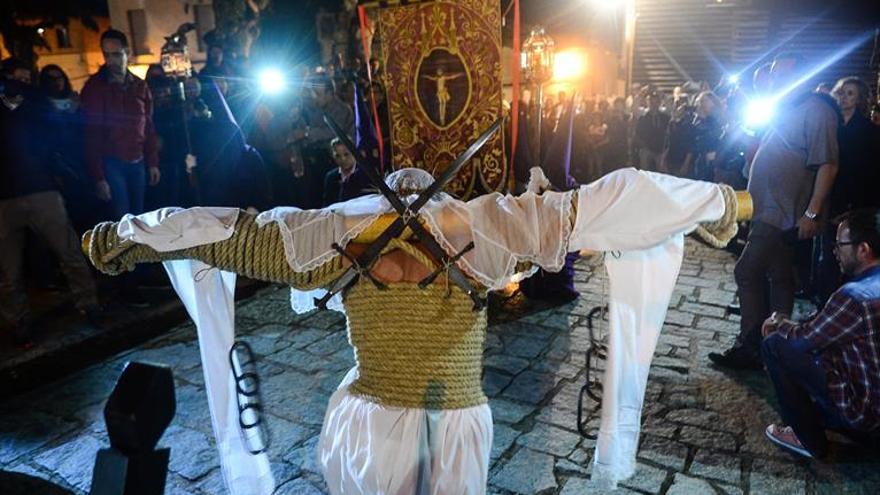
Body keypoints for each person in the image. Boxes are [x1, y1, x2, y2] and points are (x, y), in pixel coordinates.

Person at [710, 52, 839, 370]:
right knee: (780, 278)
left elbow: (828, 164)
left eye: (780, 74)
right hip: (766, 208)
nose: (773, 79)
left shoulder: (818, 111)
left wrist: (811, 214)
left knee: (746, 271)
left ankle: (751, 346)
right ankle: (774, 349)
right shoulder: (783, 106)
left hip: (783, 213)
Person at [761, 208, 880, 459]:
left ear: (863, 249)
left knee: (775, 345)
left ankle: (807, 438)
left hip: (865, 411)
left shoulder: (854, 296)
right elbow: (824, 325)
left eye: (840, 244)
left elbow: (803, 340)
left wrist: (778, 323)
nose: (835, 251)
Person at [1, 59, 101, 346]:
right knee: (10, 269)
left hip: (42, 189)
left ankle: (88, 304)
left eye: (24, 78)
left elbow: (54, 134)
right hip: (5, 199)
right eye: (14, 77)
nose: (19, 82)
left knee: (68, 251)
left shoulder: (35, 104)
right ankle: (18, 320)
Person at [81, 28, 161, 220]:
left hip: (138, 160)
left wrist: (152, 163)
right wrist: (98, 177)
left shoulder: (140, 86)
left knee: (140, 217)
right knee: (123, 220)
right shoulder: (95, 88)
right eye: (107, 55)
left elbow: (148, 126)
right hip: (112, 162)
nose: (111, 61)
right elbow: (91, 134)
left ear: (127, 53)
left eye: (116, 54)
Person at [815, 77, 880, 304]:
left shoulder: (869, 131)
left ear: (860, 98)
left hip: (852, 202)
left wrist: (855, 208)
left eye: (850, 93)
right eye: (841, 92)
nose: (844, 97)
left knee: (844, 259)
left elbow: (868, 173)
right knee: (825, 255)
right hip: (829, 198)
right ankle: (822, 304)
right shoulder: (833, 125)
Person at [321, 138, 372, 206]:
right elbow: (327, 204)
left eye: (346, 154)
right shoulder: (330, 177)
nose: (343, 159)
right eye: (338, 156)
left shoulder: (366, 174)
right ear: (333, 156)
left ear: (354, 152)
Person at [634, 92, 670, 171]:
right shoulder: (643, 116)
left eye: (656, 102)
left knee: (662, 173)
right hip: (646, 149)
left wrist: (665, 96)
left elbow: (670, 107)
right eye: (651, 102)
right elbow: (635, 108)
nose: (654, 105)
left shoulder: (664, 117)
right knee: (644, 172)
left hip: (660, 150)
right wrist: (640, 95)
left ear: (660, 103)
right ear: (648, 103)